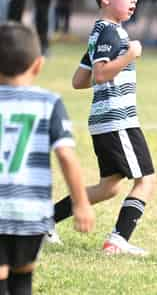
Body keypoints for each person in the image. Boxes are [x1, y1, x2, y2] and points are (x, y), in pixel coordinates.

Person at [51, 0, 156, 256]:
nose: (134, 0)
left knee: (109, 187)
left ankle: (44, 220)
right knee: (145, 180)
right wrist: (129, 55)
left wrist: (108, 57)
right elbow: (99, 75)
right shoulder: (109, 31)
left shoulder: (100, 32)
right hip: (117, 119)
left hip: (104, 120)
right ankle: (118, 239)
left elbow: (78, 80)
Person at [0, 22, 94, 295]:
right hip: (31, 210)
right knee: (23, 279)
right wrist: (82, 204)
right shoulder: (48, 102)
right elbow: (65, 155)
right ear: (38, 65)